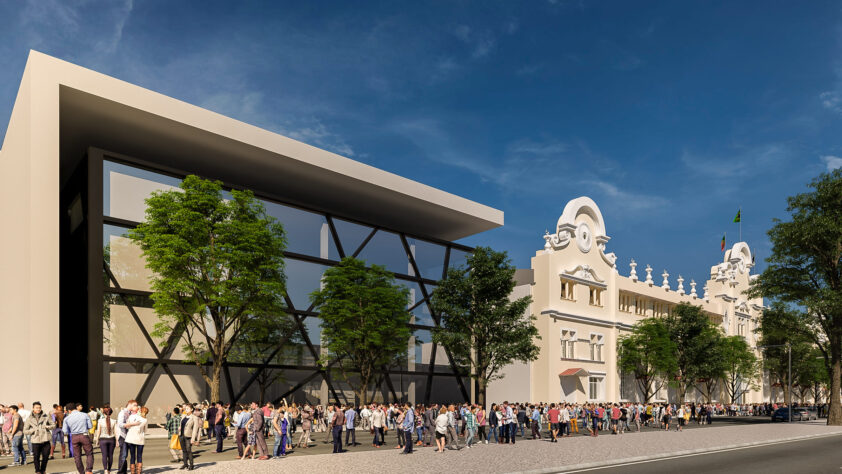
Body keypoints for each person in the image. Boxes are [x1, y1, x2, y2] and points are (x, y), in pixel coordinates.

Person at [23, 401, 54, 474]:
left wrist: (47, 427)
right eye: (37, 408)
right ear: (33, 408)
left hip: (45, 439)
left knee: (46, 456)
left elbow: (53, 425)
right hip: (35, 440)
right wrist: (33, 430)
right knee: (36, 457)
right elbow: (25, 430)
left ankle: (43, 470)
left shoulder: (46, 416)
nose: (38, 409)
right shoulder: (29, 419)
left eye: (39, 407)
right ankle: (37, 471)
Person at [63, 402, 94, 474]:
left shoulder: (67, 418)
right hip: (84, 435)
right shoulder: (85, 415)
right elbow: (90, 426)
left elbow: (65, 431)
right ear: (75, 408)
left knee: (77, 456)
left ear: (69, 411)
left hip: (74, 437)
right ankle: (89, 470)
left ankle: (81, 472)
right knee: (89, 453)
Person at [116, 400, 138, 474]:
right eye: (135, 405)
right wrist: (132, 424)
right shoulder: (122, 413)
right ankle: (121, 472)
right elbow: (120, 424)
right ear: (130, 404)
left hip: (129, 436)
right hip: (123, 436)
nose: (136, 407)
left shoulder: (131, 414)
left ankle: (123, 471)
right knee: (123, 454)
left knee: (128, 454)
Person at [124, 406, 148, 474]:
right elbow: (145, 430)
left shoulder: (132, 416)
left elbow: (127, 426)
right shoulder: (145, 420)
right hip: (140, 439)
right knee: (139, 456)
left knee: (132, 456)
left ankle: (132, 472)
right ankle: (139, 472)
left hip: (131, 438)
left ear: (139, 411)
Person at [94, 407, 117, 474]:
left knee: (104, 455)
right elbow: (115, 432)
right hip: (112, 439)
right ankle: (109, 470)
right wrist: (117, 440)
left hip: (103, 439)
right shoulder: (114, 421)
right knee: (110, 455)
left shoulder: (100, 421)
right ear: (111, 413)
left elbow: (98, 431)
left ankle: (105, 470)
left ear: (103, 413)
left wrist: (97, 440)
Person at [180, 405, 201, 471]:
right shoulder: (183, 416)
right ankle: (185, 464)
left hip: (188, 436)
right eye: (185, 408)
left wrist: (193, 439)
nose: (186, 410)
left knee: (189, 450)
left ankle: (191, 465)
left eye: (187, 408)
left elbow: (195, 429)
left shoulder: (194, 417)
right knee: (183, 450)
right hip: (181, 435)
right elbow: (181, 425)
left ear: (191, 409)